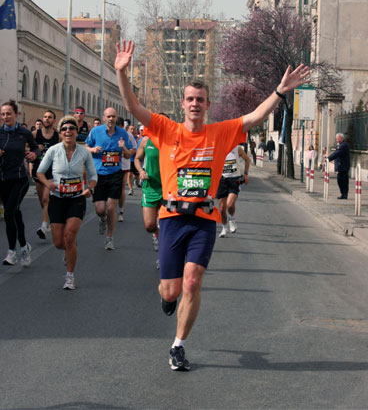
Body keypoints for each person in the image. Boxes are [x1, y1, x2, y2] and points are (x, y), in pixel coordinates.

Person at [115, 39, 310, 371]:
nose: (195, 104)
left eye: (200, 100)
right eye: (190, 99)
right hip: (172, 218)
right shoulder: (165, 128)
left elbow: (254, 117)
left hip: (204, 219)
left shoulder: (220, 132)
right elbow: (133, 107)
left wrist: (280, 91)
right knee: (172, 289)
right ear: (183, 103)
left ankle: (178, 345)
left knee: (193, 280)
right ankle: (166, 295)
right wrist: (121, 72)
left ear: (207, 105)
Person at [37, 115, 97, 289]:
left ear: (77, 132)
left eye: (71, 128)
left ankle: (69, 277)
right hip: (57, 199)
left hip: (77, 199)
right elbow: (40, 172)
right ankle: (69, 249)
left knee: (69, 236)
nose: (68, 131)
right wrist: (48, 183)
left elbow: (93, 176)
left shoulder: (84, 152)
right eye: (64, 129)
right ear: (60, 132)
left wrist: (89, 188)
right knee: (58, 243)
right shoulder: (53, 151)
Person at [85, 107, 132, 250]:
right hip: (98, 174)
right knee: (100, 209)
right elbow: (85, 146)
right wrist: (92, 150)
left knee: (111, 207)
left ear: (117, 118)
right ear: (104, 118)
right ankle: (103, 219)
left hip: (115, 174)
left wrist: (123, 148)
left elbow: (129, 155)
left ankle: (110, 237)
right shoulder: (95, 131)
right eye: (108, 117)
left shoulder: (123, 133)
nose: (111, 119)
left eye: (113, 117)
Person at [0, 100, 39, 266]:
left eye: (8, 113)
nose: (5, 117)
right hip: (2, 179)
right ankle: (24, 246)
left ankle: (11, 253)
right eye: (2, 114)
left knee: (9, 213)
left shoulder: (23, 133)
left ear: (16, 114)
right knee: (15, 213)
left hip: (20, 179)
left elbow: (36, 148)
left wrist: (34, 155)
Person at [134, 124, 164, 256]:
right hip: (150, 186)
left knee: (166, 226)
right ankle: (156, 234)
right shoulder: (146, 140)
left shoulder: (173, 141)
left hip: (167, 188)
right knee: (150, 226)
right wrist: (140, 171)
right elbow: (137, 158)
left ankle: (163, 257)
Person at [31, 109, 60, 240]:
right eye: (45, 117)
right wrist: (36, 150)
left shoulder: (58, 136)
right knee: (42, 202)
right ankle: (48, 219)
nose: (46, 119)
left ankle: (43, 227)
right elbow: (26, 148)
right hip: (38, 171)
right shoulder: (34, 134)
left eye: (49, 117)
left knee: (45, 199)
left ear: (54, 120)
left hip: (52, 172)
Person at [217, 145, 250, 237]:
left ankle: (231, 219)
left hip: (234, 180)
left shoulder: (237, 149)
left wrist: (246, 174)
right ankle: (224, 228)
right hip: (222, 180)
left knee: (230, 204)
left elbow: (247, 159)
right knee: (222, 208)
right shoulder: (218, 148)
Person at [116, 117, 136, 222]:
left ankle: (121, 211)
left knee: (122, 188)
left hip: (124, 165)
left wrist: (126, 151)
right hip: (110, 166)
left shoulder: (128, 135)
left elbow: (134, 149)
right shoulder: (108, 134)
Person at [327, 133, 350, 199]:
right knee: (340, 180)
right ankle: (343, 194)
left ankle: (344, 194)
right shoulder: (340, 145)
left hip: (343, 166)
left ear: (342, 138)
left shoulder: (343, 145)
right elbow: (336, 153)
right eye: (336, 139)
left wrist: (328, 158)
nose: (337, 140)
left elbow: (337, 153)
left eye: (338, 139)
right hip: (341, 166)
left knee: (343, 180)